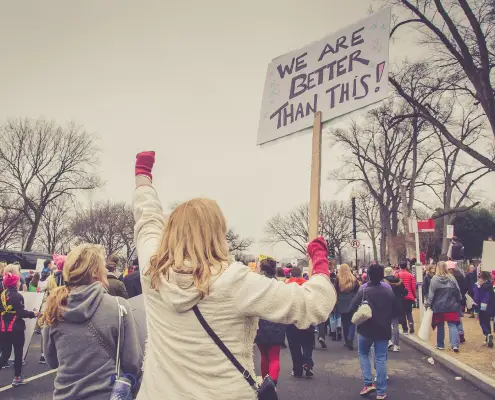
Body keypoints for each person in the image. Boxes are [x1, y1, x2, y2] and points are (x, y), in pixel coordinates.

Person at [132, 151, 336, 399]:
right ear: (217, 233)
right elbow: (314, 304)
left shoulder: (152, 272)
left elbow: (147, 218)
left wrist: (143, 177)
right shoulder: (233, 281)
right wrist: (320, 259)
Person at [42, 244, 143, 400]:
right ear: (95, 272)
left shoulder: (54, 307)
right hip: (106, 394)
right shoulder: (119, 306)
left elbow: (52, 361)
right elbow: (133, 363)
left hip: (64, 395)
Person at [350, 264, 395, 400]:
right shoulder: (388, 290)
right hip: (383, 328)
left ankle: (368, 383)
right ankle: (381, 392)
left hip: (366, 328)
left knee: (363, 354)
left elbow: (352, 306)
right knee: (381, 358)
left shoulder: (363, 290)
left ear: (368, 275)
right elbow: (395, 309)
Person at [0, 265, 39, 386]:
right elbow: (21, 313)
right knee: (18, 353)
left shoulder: (1, 296)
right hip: (16, 328)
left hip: (3, 328)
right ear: (16, 283)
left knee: (5, 353)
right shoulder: (18, 296)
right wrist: (34, 313)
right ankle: (17, 378)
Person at [254, 258, 286, 387]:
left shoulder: (257, 286)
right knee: (274, 357)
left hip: (260, 323)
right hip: (276, 322)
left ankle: (264, 383)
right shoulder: (279, 286)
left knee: (264, 356)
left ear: (262, 269)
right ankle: (272, 385)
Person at [425, 262, 462, 352]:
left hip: (439, 306)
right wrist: (459, 300)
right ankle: (455, 345)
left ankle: (440, 344)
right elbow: (457, 290)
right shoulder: (451, 278)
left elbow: (431, 294)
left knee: (440, 325)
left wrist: (428, 304)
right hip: (451, 305)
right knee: (452, 325)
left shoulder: (434, 279)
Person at [334, 263, 360, 350]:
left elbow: (335, 290)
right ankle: (350, 338)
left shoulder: (338, 279)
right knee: (352, 321)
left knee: (344, 322)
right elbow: (358, 290)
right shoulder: (353, 279)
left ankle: (347, 341)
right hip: (352, 301)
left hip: (342, 302)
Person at [384, 267, 407, 352]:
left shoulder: (383, 282)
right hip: (397, 303)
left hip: (386, 304)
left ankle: (389, 341)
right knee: (395, 325)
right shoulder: (398, 280)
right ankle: (396, 345)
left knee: (387, 324)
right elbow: (405, 291)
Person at [474, 271, 495, 348]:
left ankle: (487, 334)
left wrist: (475, 309)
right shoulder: (490, 285)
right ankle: (488, 338)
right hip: (491, 306)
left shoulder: (478, 285)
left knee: (483, 322)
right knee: (488, 321)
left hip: (482, 305)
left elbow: (476, 297)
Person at [448, 263, 468, 343]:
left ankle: (456, 335)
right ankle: (460, 332)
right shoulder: (460, 276)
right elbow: (465, 287)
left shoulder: (450, 278)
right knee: (458, 316)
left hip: (451, 300)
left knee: (452, 319)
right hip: (459, 299)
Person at [397, 261, 416, 334]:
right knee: (409, 312)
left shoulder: (397, 275)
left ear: (400, 266)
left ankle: (405, 329)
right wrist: (414, 296)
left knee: (402, 313)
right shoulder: (410, 275)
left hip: (401, 297)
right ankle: (411, 325)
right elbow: (413, 287)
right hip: (409, 296)